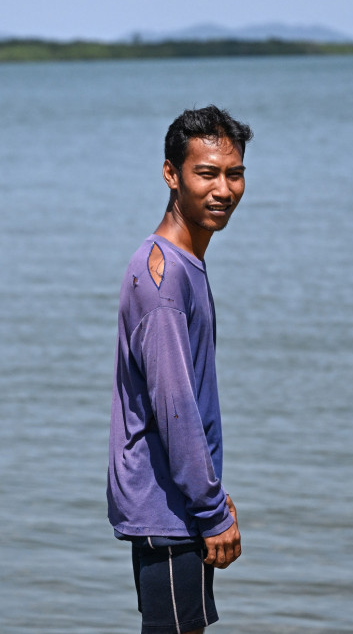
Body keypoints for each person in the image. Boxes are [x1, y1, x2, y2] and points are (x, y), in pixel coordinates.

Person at [107, 105, 253, 634]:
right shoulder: (163, 279)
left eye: (233, 173)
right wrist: (211, 510)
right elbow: (174, 409)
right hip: (167, 509)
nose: (223, 189)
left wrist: (208, 493)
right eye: (206, 173)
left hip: (181, 502)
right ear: (171, 174)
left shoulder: (185, 262)